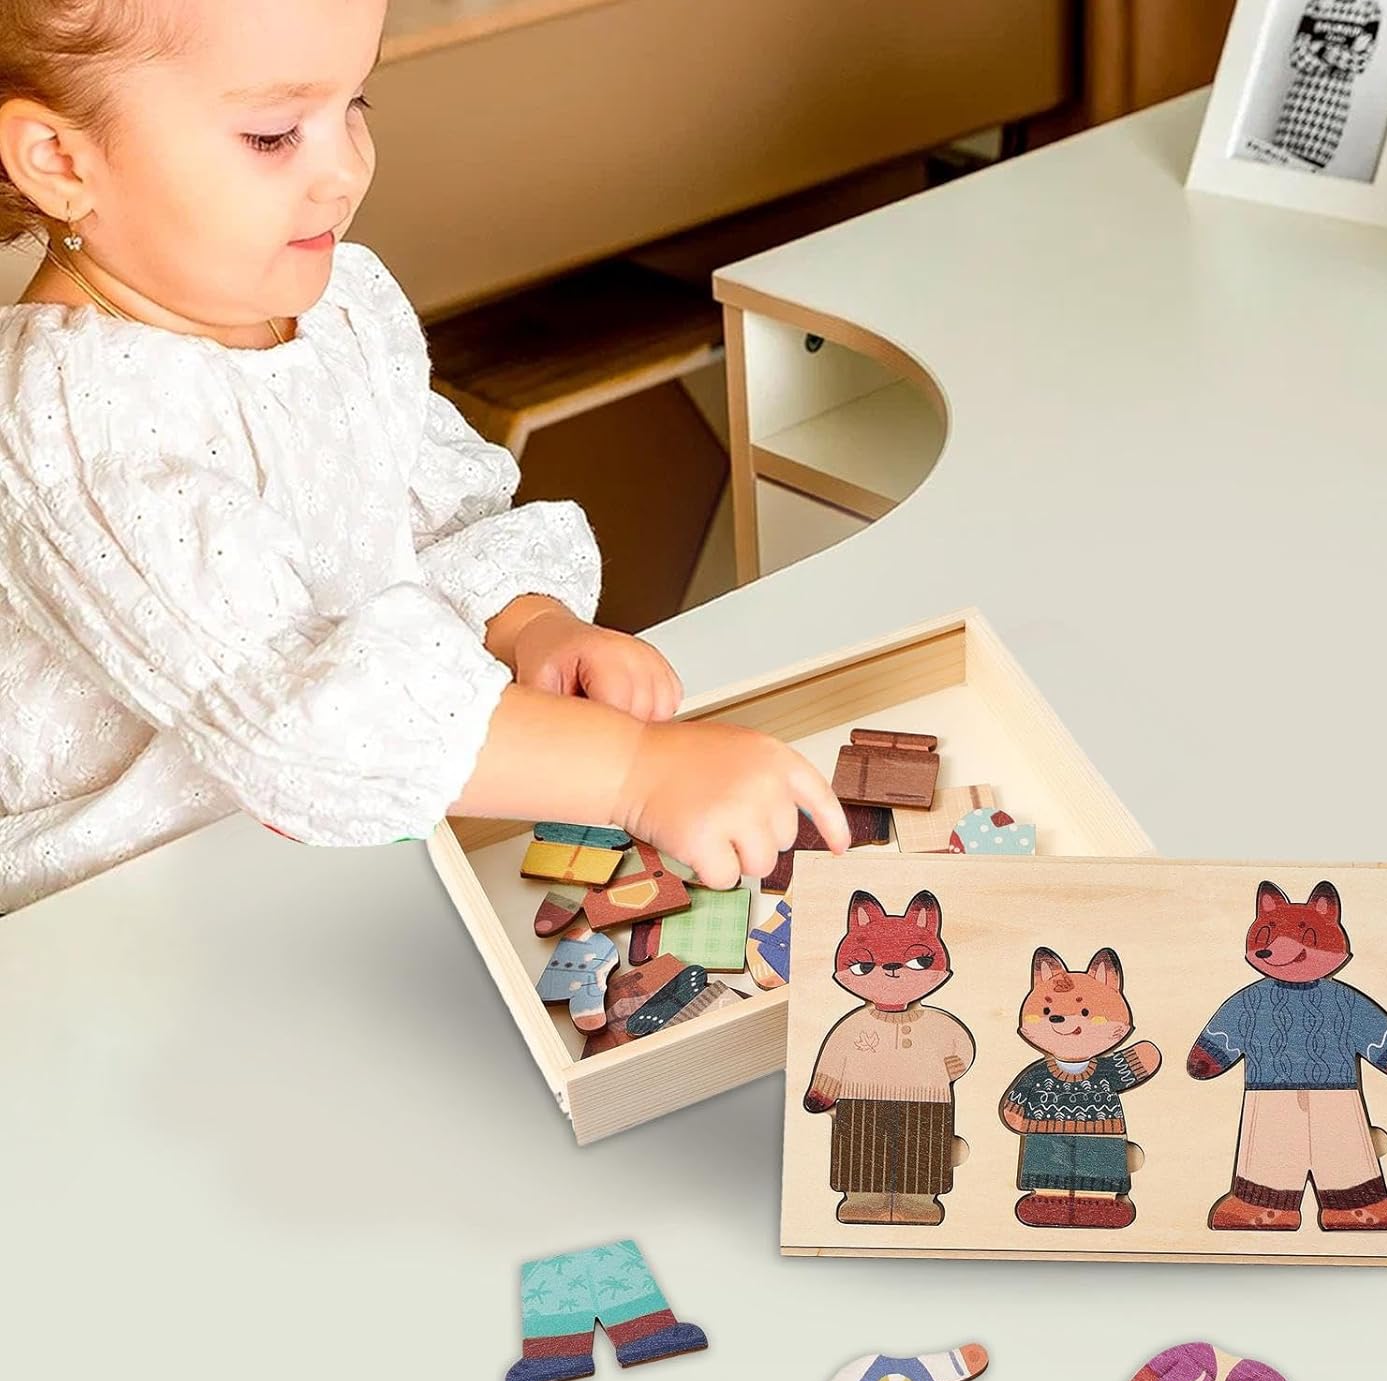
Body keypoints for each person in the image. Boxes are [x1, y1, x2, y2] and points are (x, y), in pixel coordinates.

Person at [0, 0, 848, 913]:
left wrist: (528, 623)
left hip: (354, 836)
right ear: (60, 161)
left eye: (355, 104)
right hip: (130, 906)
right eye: (274, 135)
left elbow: (433, 513)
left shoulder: (339, 306)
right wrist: (635, 771)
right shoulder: (71, 423)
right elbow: (290, 720)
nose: (345, 171)